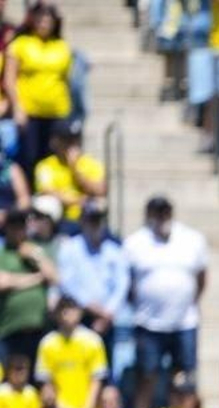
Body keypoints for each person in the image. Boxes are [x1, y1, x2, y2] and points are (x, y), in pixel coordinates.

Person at [123, 197, 208, 408]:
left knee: (185, 378)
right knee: (147, 375)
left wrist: (188, 301)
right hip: (148, 321)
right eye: (157, 212)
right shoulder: (135, 242)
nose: (161, 217)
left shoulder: (192, 239)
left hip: (184, 321)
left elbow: (201, 277)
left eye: (165, 212)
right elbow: (128, 284)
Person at [5, 2, 71, 176]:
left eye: (48, 19)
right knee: (30, 156)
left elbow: (66, 80)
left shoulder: (61, 46)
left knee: (51, 159)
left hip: (57, 111)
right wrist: (17, 107)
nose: (44, 23)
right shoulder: (21, 44)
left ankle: (47, 196)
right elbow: (10, 79)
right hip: (30, 111)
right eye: (40, 19)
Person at [54, 202, 129, 346]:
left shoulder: (114, 251)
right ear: (82, 221)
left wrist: (107, 313)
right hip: (78, 317)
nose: (95, 224)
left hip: (108, 319)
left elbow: (122, 284)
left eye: (98, 220)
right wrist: (91, 306)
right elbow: (67, 282)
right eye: (91, 219)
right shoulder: (69, 248)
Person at [0, 207, 54, 367]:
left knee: (38, 379)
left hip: (39, 328)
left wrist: (35, 256)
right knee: (11, 378)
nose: (17, 231)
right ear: (7, 228)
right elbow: (3, 282)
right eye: (13, 227)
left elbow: (54, 277)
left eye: (21, 227)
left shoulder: (35, 250)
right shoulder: (3, 253)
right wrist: (38, 278)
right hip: (10, 329)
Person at [36, 296, 106, 408]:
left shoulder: (93, 341)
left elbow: (97, 379)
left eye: (72, 310)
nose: (67, 315)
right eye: (63, 310)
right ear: (56, 315)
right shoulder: (48, 343)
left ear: (80, 312)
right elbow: (46, 381)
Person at [31, 121, 105, 222]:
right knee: (45, 203)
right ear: (55, 141)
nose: (72, 145)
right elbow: (48, 192)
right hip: (57, 220)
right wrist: (81, 200)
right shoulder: (45, 165)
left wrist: (75, 170)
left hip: (86, 219)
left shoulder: (91, 163)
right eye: (67, 140)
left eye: (75, 139)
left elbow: (100, 191)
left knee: (98, 204)